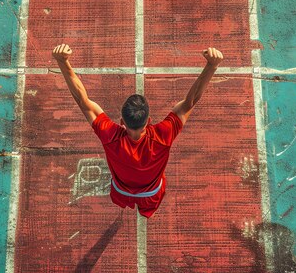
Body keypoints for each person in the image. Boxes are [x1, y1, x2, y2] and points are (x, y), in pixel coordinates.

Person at [51, 44, 224, 218]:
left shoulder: (110, 135)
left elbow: (82, 100)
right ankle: (146, 212)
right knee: (148, 210)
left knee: (121, 202)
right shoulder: (163, 135)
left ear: (121, 122)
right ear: (148, 122)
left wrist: (62, 62)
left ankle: (125, 206)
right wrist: (211, 66)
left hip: (121, 190)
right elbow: (189, 102)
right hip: (150, 194)